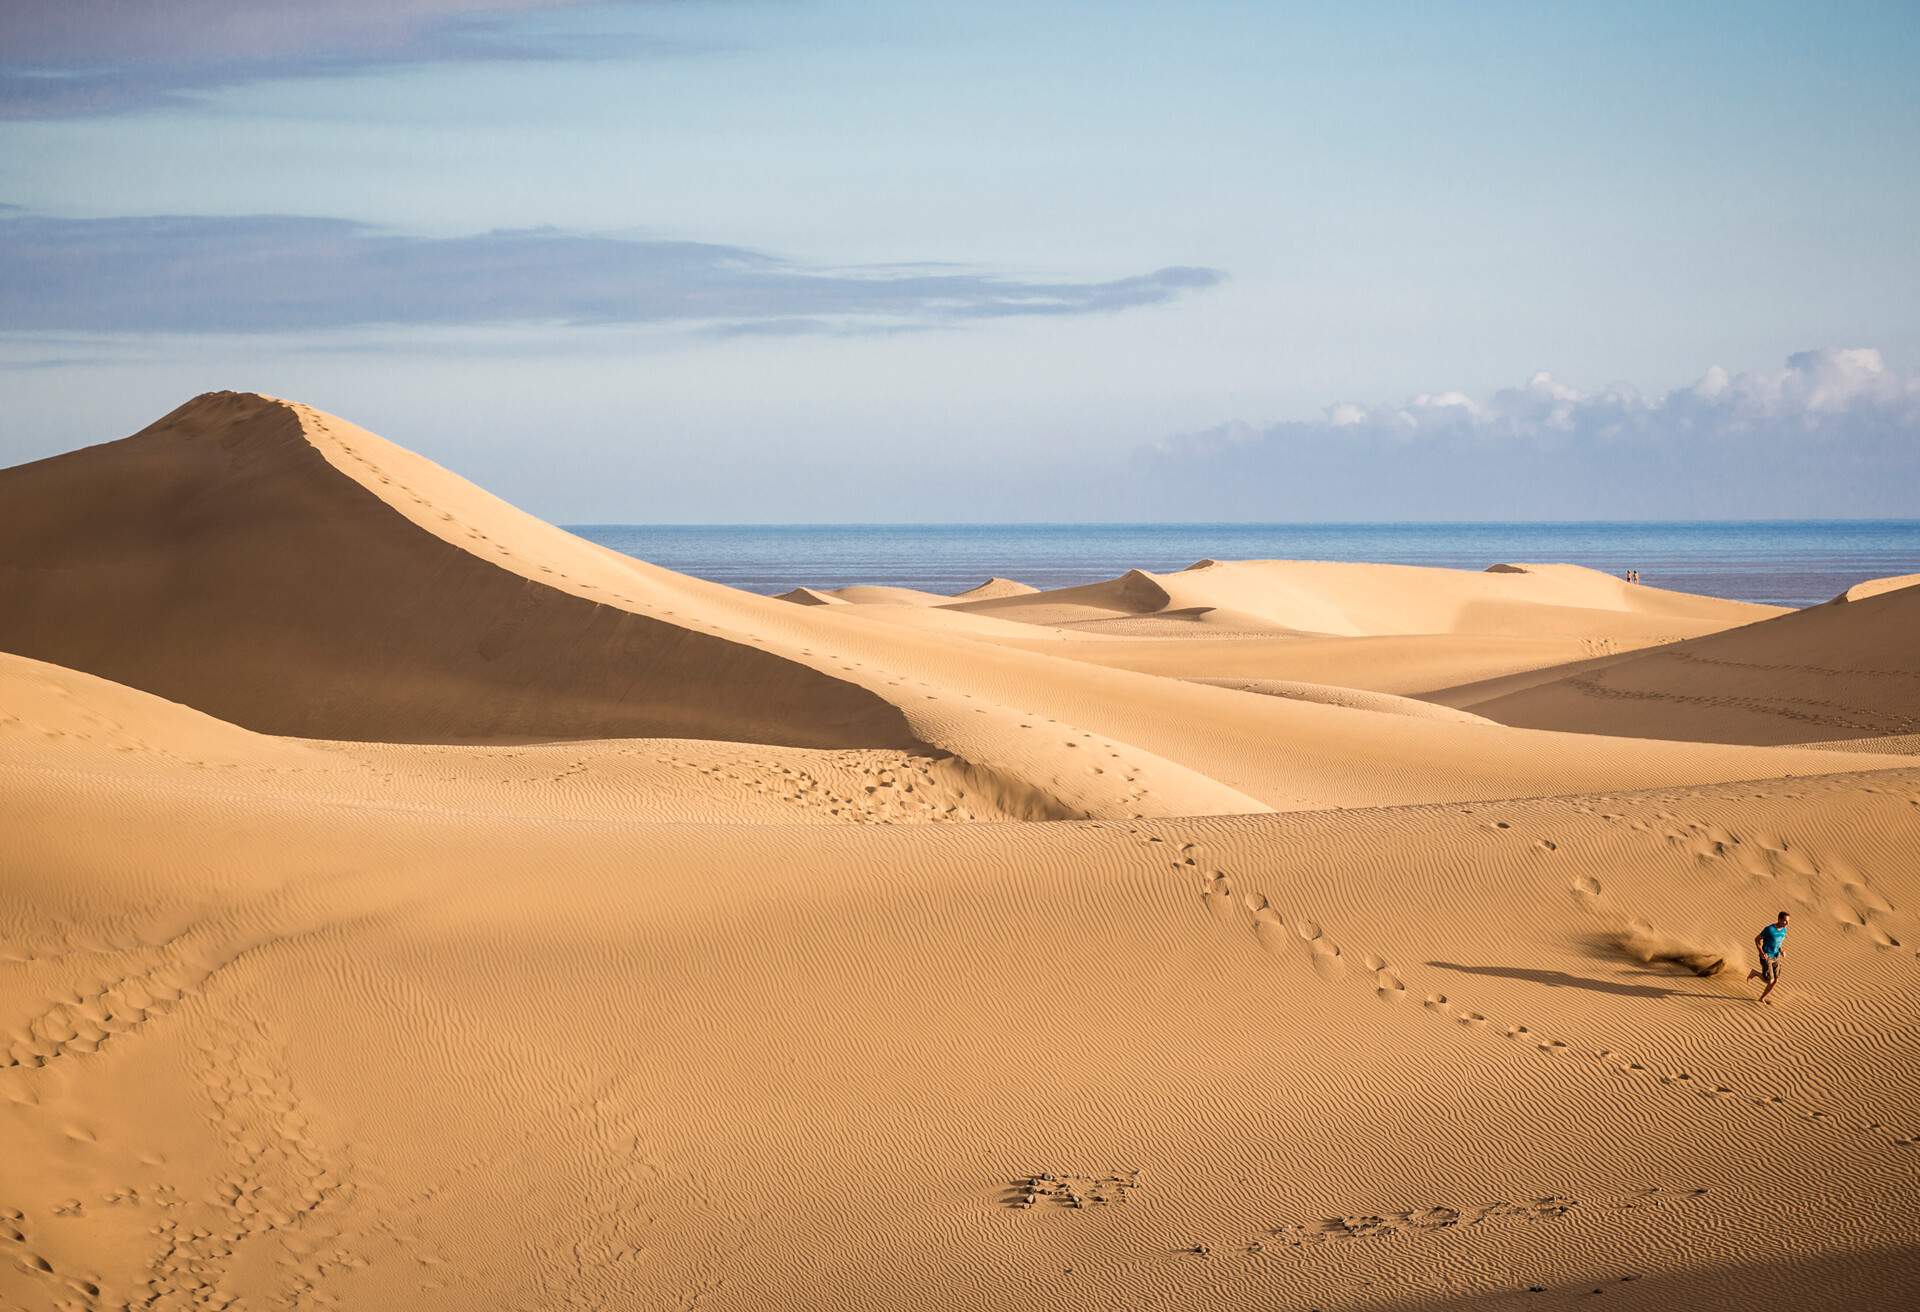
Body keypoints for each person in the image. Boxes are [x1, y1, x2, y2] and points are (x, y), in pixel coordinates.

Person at [1748, 911, 1790, 1003]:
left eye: (1788, 921)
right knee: (1770, 980)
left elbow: (1778, 943)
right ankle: (1755, 973)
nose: (1787, 923)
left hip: (1776, 957)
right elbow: (1757, 939)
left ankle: (1761, 998)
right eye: (1785, 921)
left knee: (1776, 980)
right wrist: (1762, 952)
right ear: (1779, 919)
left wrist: (1781, 951)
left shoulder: (1784, 930)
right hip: (1767, 957)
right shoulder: (1769, 929)